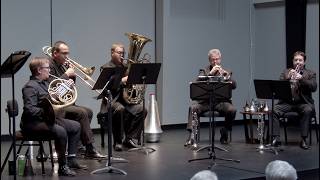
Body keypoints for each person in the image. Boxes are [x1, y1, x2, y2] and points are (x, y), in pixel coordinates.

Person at [21, 57, 86, 176]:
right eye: (47, 68)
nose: (50, 70)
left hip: (47, 120)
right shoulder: (30, 87)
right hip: (33, 124)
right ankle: (62, 166)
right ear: (39, 70)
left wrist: (66, 87)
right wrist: (47, 111)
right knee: (61, 131)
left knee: (76, 126)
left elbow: (53, 97)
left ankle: (71, 159)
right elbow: (29, 110)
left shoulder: (45, 84)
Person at [49, 41, 106, 158]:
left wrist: (72, 77)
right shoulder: (49, 65)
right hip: (56, 107)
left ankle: (78, 147)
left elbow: (68, 88)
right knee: (82, 113)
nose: (67, 56)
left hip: (64, 103)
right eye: (64, 53)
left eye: (68, 53)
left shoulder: (61, 65)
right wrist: (66, 74)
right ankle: (90, 148)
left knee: (88, 111)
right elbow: (52, 87)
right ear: (55, 53)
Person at [99, 43, 147, 151]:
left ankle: (130, 138)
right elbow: (107, 88)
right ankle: (118, 141)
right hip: (112, 100)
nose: (122, 55)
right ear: (112, 53)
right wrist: (122, 81)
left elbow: (133, 83)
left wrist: (137, 78)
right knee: (119, 109)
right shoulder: (106, 67)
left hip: (126, 101)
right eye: (119, 52)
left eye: (123, 53)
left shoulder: (126, 67)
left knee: (142, 109)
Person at [185, 49, 237, 148]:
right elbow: (197, 83)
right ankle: (192, 135)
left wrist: (227, 77)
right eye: (213, 60)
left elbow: (234, 85)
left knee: (232, 110)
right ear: (209, 60)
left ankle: (225, 131)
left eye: (217, 59)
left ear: (220, 59)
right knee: (193, 108)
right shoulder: (203, 71)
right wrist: (210, 74)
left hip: (221, 102)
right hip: (206, 102)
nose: (215, 62)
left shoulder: (227, 72)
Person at [271, 51, 317, 150]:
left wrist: (301, 78)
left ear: (304, 62)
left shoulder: (310, 73)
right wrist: (288, 78)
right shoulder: (286, 72)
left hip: (303, 103)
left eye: (300, 60)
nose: (298, 62)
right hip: (288, 103)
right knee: (273, 110)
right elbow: (278, 87)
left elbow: (314, 87)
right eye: (296, 60)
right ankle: (276, 138)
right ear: (293, 61)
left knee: (308, 110)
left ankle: (303, 139)